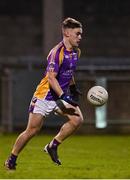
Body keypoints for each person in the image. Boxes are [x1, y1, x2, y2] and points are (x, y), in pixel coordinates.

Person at [5, 17, 84, 170]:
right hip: (45, 96)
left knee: (77, 120)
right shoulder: (56, 52)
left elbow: (68, 72)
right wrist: (63, 95)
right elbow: (51, 78)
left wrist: (73, 87)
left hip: (59, 96)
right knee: (32, 131)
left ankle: (52, 146)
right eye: (77, 34)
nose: (80, 37)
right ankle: (12, 159)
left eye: (81, 34)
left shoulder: (75, 52)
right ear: (67, 33)